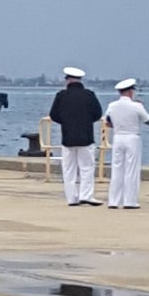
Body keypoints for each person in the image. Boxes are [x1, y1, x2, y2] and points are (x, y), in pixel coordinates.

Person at [49, 67, 103, 205]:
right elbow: (97, 113)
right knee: (87, 168)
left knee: (69, 169)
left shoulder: (61, 96)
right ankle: (86, 195)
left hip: (67, 137)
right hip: (86, 136)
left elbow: (53, 115)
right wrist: (86, 120)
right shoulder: (89, 95)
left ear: (68, 80)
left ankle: (71, 198)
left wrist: (66, 121)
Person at [104, 78, 149, 209]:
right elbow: (148, 120)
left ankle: (113, 201)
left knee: (117, 168)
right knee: (131, 170)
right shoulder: (136, 106)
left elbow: (107, 122)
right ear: (131, 92)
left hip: (118, 137)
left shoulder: (112, 106)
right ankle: (130, 201)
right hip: (132, 137)